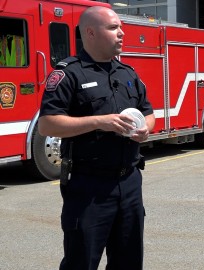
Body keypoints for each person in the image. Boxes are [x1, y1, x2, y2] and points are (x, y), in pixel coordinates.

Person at [39, 6, 155, 270]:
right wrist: (100, 122)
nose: (122, 33)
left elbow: (149, 113)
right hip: (88, 187)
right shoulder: (68, 74)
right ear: (90, 32)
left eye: (120, 28)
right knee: (81, 262)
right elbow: (47, 124)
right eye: (113, 28)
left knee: (129, 261)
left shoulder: (128, 73)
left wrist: (145, 129)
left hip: (129, 182)